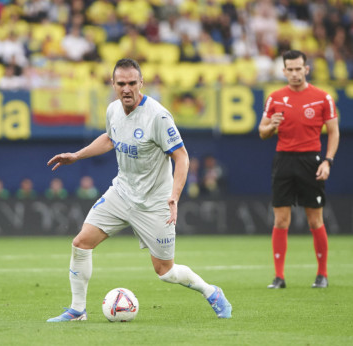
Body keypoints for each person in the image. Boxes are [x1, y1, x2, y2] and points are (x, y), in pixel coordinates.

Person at [46, 58, 232, 322]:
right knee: (81, 243)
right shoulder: (113, 110)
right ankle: (77, 311)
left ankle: (211, 292)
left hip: (155, 203)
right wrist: (77, 155)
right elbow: (110, 138)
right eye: (121, 83)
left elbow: (182, 157)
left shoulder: (158, 116)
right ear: (113, 84)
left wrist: (174, 197)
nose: (126, 89)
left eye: (132, 83)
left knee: (165, 272)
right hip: (121, 193)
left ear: (141, 83)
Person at [258, 50, 340, 289]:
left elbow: (334, 131)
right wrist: (270, 126)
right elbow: (262, 132)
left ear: (307, 69)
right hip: (284, 160)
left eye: (298, 68)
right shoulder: (274, 98)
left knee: (315, 219)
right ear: (283, 71)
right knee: (281, 220)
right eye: (290, 69)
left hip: (311, 161)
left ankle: (322, 274)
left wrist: (328, 161)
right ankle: (279, 277)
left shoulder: (322, 97)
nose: (294, 73)